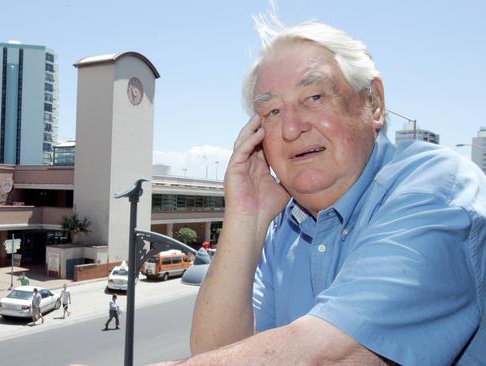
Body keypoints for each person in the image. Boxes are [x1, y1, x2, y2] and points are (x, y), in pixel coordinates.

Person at [182, 13, 486, 366]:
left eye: (313, 97)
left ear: (373, 102)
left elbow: (328, 354)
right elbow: (216, 351)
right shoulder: (285, 226)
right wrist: (246, 218)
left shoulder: (435, 189)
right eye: (273, 111)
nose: (291, 128)